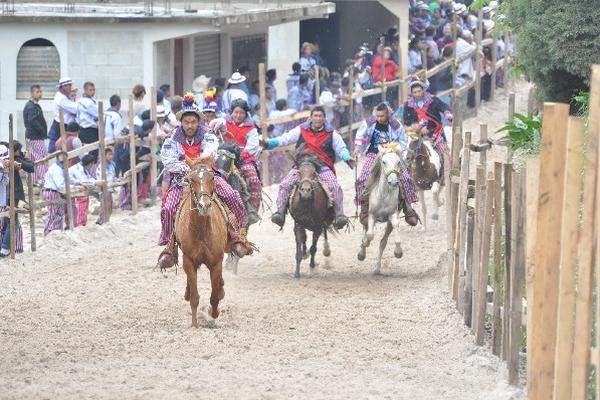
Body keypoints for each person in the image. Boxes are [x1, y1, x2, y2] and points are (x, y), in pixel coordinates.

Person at [158, 93, 252, 258]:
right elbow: (168, 160)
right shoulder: (171, 139)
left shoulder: (208, 136)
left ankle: (239, 235)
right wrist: (186, 168)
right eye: (186, 122)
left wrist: (195, 164)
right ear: (181, 123)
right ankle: (170, 244)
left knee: (232, 195)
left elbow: (211, 154)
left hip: (208, 176)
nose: (190, 125)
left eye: (193, 122)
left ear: (198, 122)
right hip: (182, 180)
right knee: (168, 208)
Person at [264, 106, 355, 230]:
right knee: (285, 184)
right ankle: (280, 213)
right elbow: (285, 139)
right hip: (302, 165)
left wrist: (347, 157)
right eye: (315, 116)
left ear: (324, 118)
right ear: (311, 118)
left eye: (320, 116)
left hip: (322, 166)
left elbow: (341, 148)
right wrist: (269, 143)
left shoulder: (331, 133)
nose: (317, 119)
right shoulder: (301, 130)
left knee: (334, 186)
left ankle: (339, 215)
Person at [354, 103, 419, 227]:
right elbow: (361, 136)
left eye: (382, 116)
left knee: (405, 177)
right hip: (374, 153)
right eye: (377, 115)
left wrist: (397, 149)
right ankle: (364, 209)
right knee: (363, 178)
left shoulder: (395, 125)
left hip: (392, 153)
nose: (379, 118)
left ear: (387, 114)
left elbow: (403, 141)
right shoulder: (369, 122)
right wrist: (358, 147)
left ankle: (408, 209)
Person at [212, 99, 262, 217]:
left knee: (254, 179)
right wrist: (215, 124)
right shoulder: (224, 121)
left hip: (242, 159)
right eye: (236, 112)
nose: (238, 115)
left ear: (246, 114)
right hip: (223, 156)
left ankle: (252, 210)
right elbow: (214, 123)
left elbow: (252, 147)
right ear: (231, 112)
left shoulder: (251, 128)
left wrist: (239, 154)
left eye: (241, 113)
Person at [403, 77, 453, 172]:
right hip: (417, 135)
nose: (417, 94)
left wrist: (447, 113)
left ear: (423, 90)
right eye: (415, 92)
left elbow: (443, 107)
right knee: (407, 155)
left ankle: (447, 174)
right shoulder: (408, 105)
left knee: (445, 154)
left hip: (435, 132)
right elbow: (407, 121)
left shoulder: (433, 100)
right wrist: (415, 127)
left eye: (419, 91)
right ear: (412, 93)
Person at [0, 142, 34, 256]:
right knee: (12, 221)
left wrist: (19, 161)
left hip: (15, 197)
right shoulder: (5, 161)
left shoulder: (15, 159)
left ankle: (9, 248)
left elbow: (30, 166)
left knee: (12, 220)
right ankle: (5, 248)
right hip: (9, 197)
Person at [69, 154, 105, 227]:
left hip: (79, 189)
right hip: (73, 190)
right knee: (79, 209)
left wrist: (96, 181)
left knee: (83, 208)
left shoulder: (83, 169)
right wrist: (96, 182)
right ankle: (79, 224)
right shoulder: (77, 169)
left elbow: (88, 178)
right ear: (90, 163)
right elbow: (83, 181)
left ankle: (82, 223)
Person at [23, 84, 48, 185]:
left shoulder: (34, 105)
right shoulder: (31, 106)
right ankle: (43, 180)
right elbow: (32, 120)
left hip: (32, 137)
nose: (40, 94)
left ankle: (33, 182)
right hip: (35, 137)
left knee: (33, 158)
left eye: (40, 92)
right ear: (32, 93)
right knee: (42, 157)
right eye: (37, 92)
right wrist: (41, 129)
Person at [48, 77, 78, 153]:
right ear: (64, 86)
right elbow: (75, 109)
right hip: (60, 126)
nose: (71, 87)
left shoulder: (66, 96)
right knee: (56, 149)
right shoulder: (61, 98)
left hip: (65, 125)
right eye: (69, 85)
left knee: (66, 148)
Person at [77, 81, 99, 159]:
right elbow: (98, 114)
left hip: (83, 129)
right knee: (92, 153)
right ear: (85, 90)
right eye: (90, 90)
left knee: (86, 152)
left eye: (93, 90)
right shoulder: (88, 102)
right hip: (90, 130)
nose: (92, 92)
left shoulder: (81, 101)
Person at [96, 147, 117, 225]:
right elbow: (101, 177)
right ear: (104, 155)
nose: (111, 156)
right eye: (109, 154)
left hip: (110, 187)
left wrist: (116, 179)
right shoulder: (101, 166)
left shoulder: (112, 165)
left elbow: (113, 175)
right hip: (104, 188)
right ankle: (101, 221)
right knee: (105, 205)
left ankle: (104, 221)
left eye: (112, 154)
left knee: (109, 205)